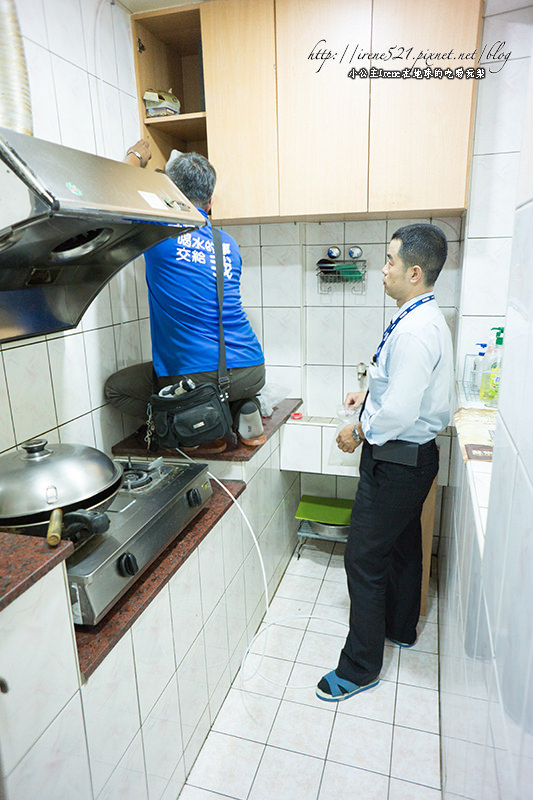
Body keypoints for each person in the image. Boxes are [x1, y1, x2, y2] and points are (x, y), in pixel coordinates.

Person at [316, 223, 453, 702]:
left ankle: (358, 668)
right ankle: (401, 627)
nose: (383, 269)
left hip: (395, 461)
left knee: (364, 558)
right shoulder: (419, 316)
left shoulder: (416, 331)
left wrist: (358, 430)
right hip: (411, 459)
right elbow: (400, 388)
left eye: (390, 261)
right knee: (401, 547)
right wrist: (369, 392)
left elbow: (400, 412)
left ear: (415, 272)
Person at [105, 141, 266, 452]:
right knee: (217, 381)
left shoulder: (157, 232)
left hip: (195, 375)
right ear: (210, 201)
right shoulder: (227, 243)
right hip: (251, 369)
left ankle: (198, 425)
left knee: (116, 390)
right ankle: (238, 409)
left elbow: (117, 188)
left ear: (170, 192)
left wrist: (135, 156)